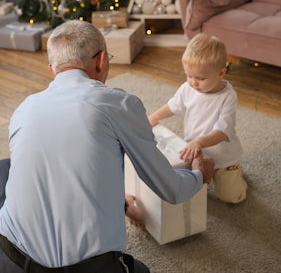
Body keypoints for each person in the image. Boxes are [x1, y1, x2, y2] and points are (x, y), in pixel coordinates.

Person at [0, 20, 214, 273]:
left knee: (9, 167)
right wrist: (200, 175)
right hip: (87, 269)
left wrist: (121, 203)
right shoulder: (119, 104)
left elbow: (68, 167)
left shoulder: (24, 109)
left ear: (51, 69)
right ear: (101, 60)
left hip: (8, 259)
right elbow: (172, 189)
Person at [148, 33, 247, 204]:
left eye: (200, 78)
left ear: (221, 72)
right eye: (189, 75)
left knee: (232, 197)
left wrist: (199, 142)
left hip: (222, 158)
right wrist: (154, 116)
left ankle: (236, 173)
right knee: (183, 186)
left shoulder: (228, 97)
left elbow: (223, 131)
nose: (193, 82)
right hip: (194, 153)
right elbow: (173, 106)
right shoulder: (188, 88)